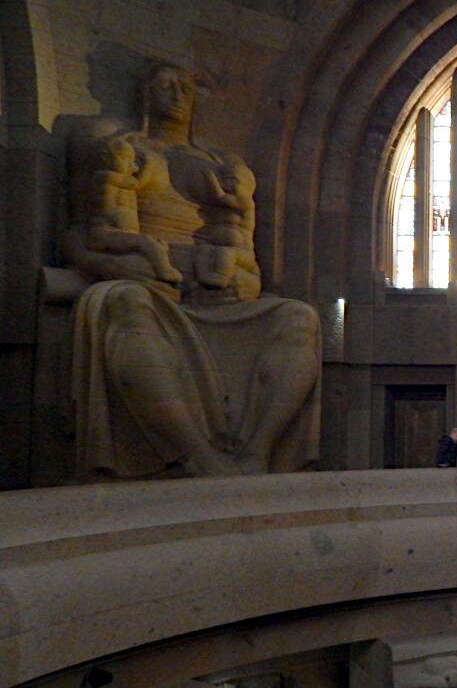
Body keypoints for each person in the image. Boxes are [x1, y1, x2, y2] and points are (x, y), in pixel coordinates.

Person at [63, 62, 321, 478]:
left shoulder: (221, 165)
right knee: (123, 302)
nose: (177, 93)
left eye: (184, 87)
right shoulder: (117, 148)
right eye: (165, 85)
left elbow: (244, 253)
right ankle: (197, 454)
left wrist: (240, 278)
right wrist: (123, 267)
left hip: (214, 291)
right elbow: (80, 237)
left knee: (298, 317)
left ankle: (256, 452)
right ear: (146, 95)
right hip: (147, 284)